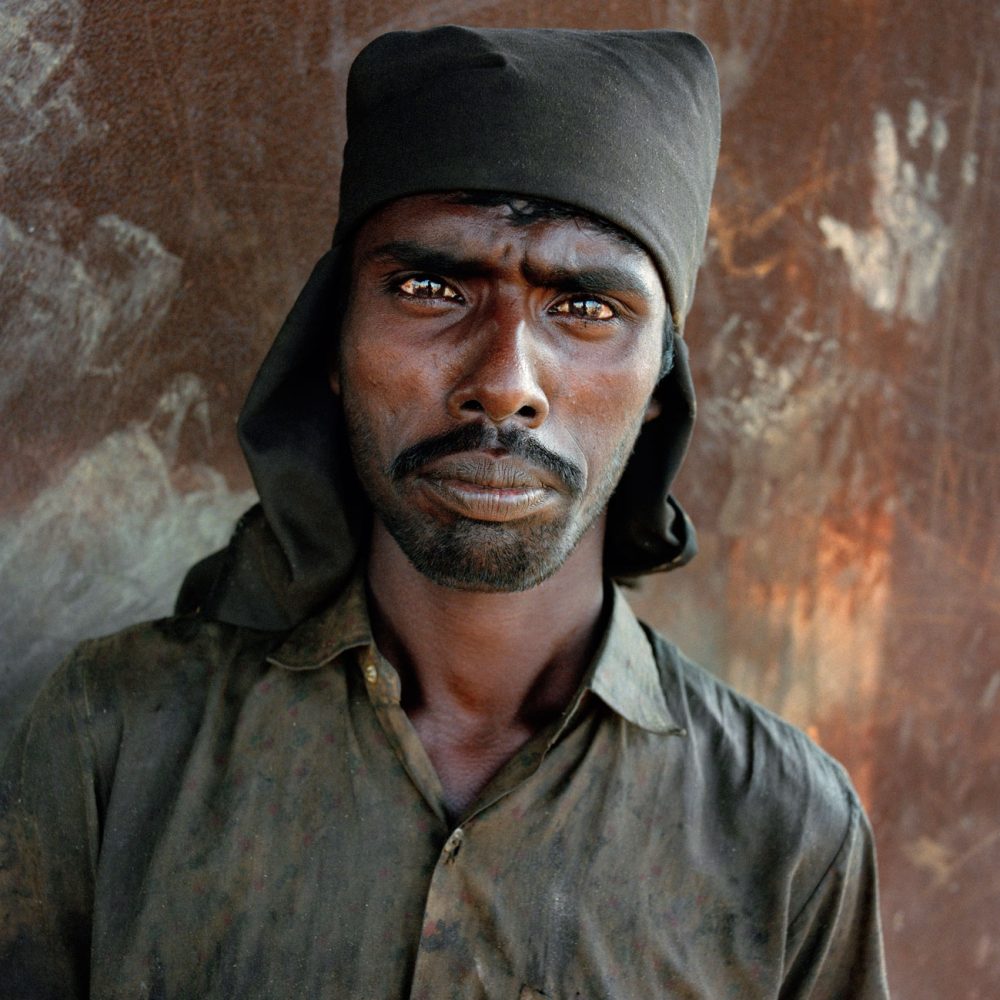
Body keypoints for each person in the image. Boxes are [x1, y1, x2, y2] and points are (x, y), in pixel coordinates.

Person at [0, 25, 890, 999]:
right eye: (429, 287)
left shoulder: (785, 831)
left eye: (585, 307)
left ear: (661, 384)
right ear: (331, 345)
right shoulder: (113, 739)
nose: (505, 382)